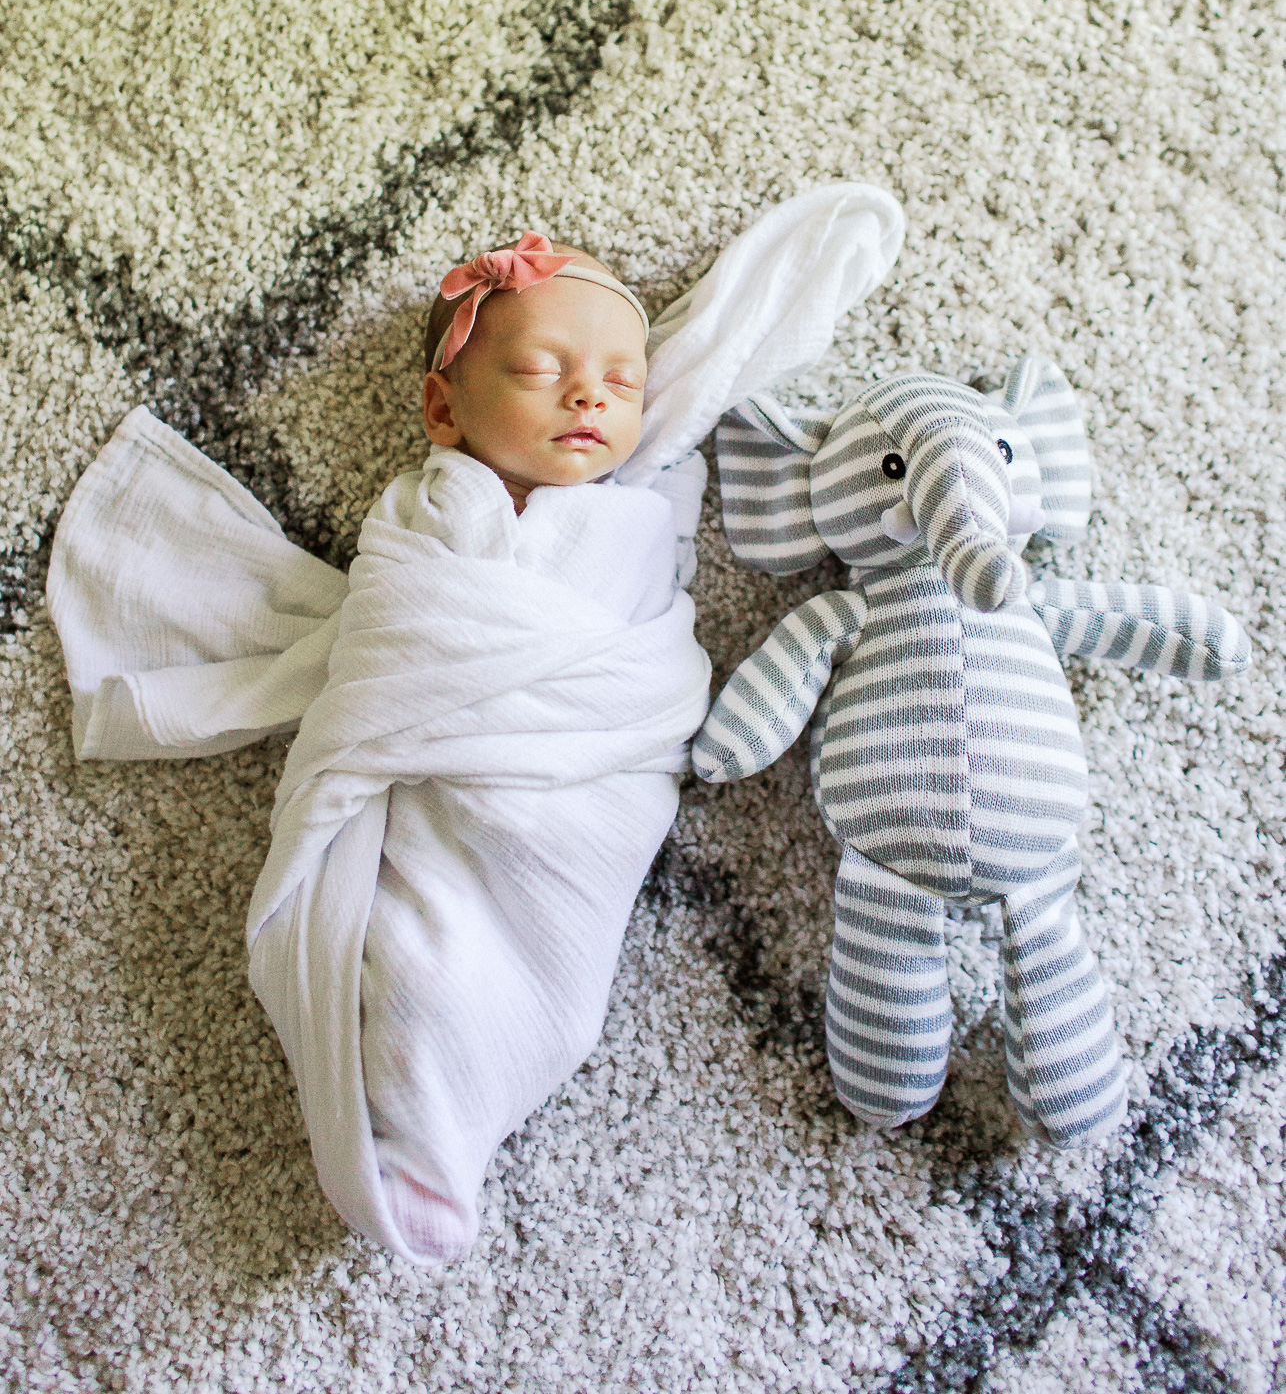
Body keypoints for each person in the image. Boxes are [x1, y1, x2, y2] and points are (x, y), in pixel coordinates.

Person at [47, 186, 904, 1261]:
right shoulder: (426, 514)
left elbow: (650, 654)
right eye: (543, 370)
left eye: (622, 381)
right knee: (416, 961)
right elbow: (394, 644)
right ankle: (415, 1139)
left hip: (584, 782)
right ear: (444, 411)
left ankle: (441, 1123)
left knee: (533, 973)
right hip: (444, 779)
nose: (590, 395)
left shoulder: (645, 506)